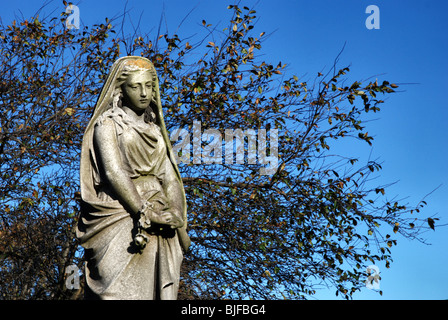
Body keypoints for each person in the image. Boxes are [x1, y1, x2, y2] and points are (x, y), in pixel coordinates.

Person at [77, 56, 190, 300]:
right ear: (121, 89)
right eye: (135, 86)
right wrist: (145, 212)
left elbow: (170, 178)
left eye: (148, 86)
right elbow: (113, 172)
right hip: (120, 213)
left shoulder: (156, 131)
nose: (143, 93)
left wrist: (176, 214)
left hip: (160, 217)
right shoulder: (107, 124)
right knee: (113, 293)